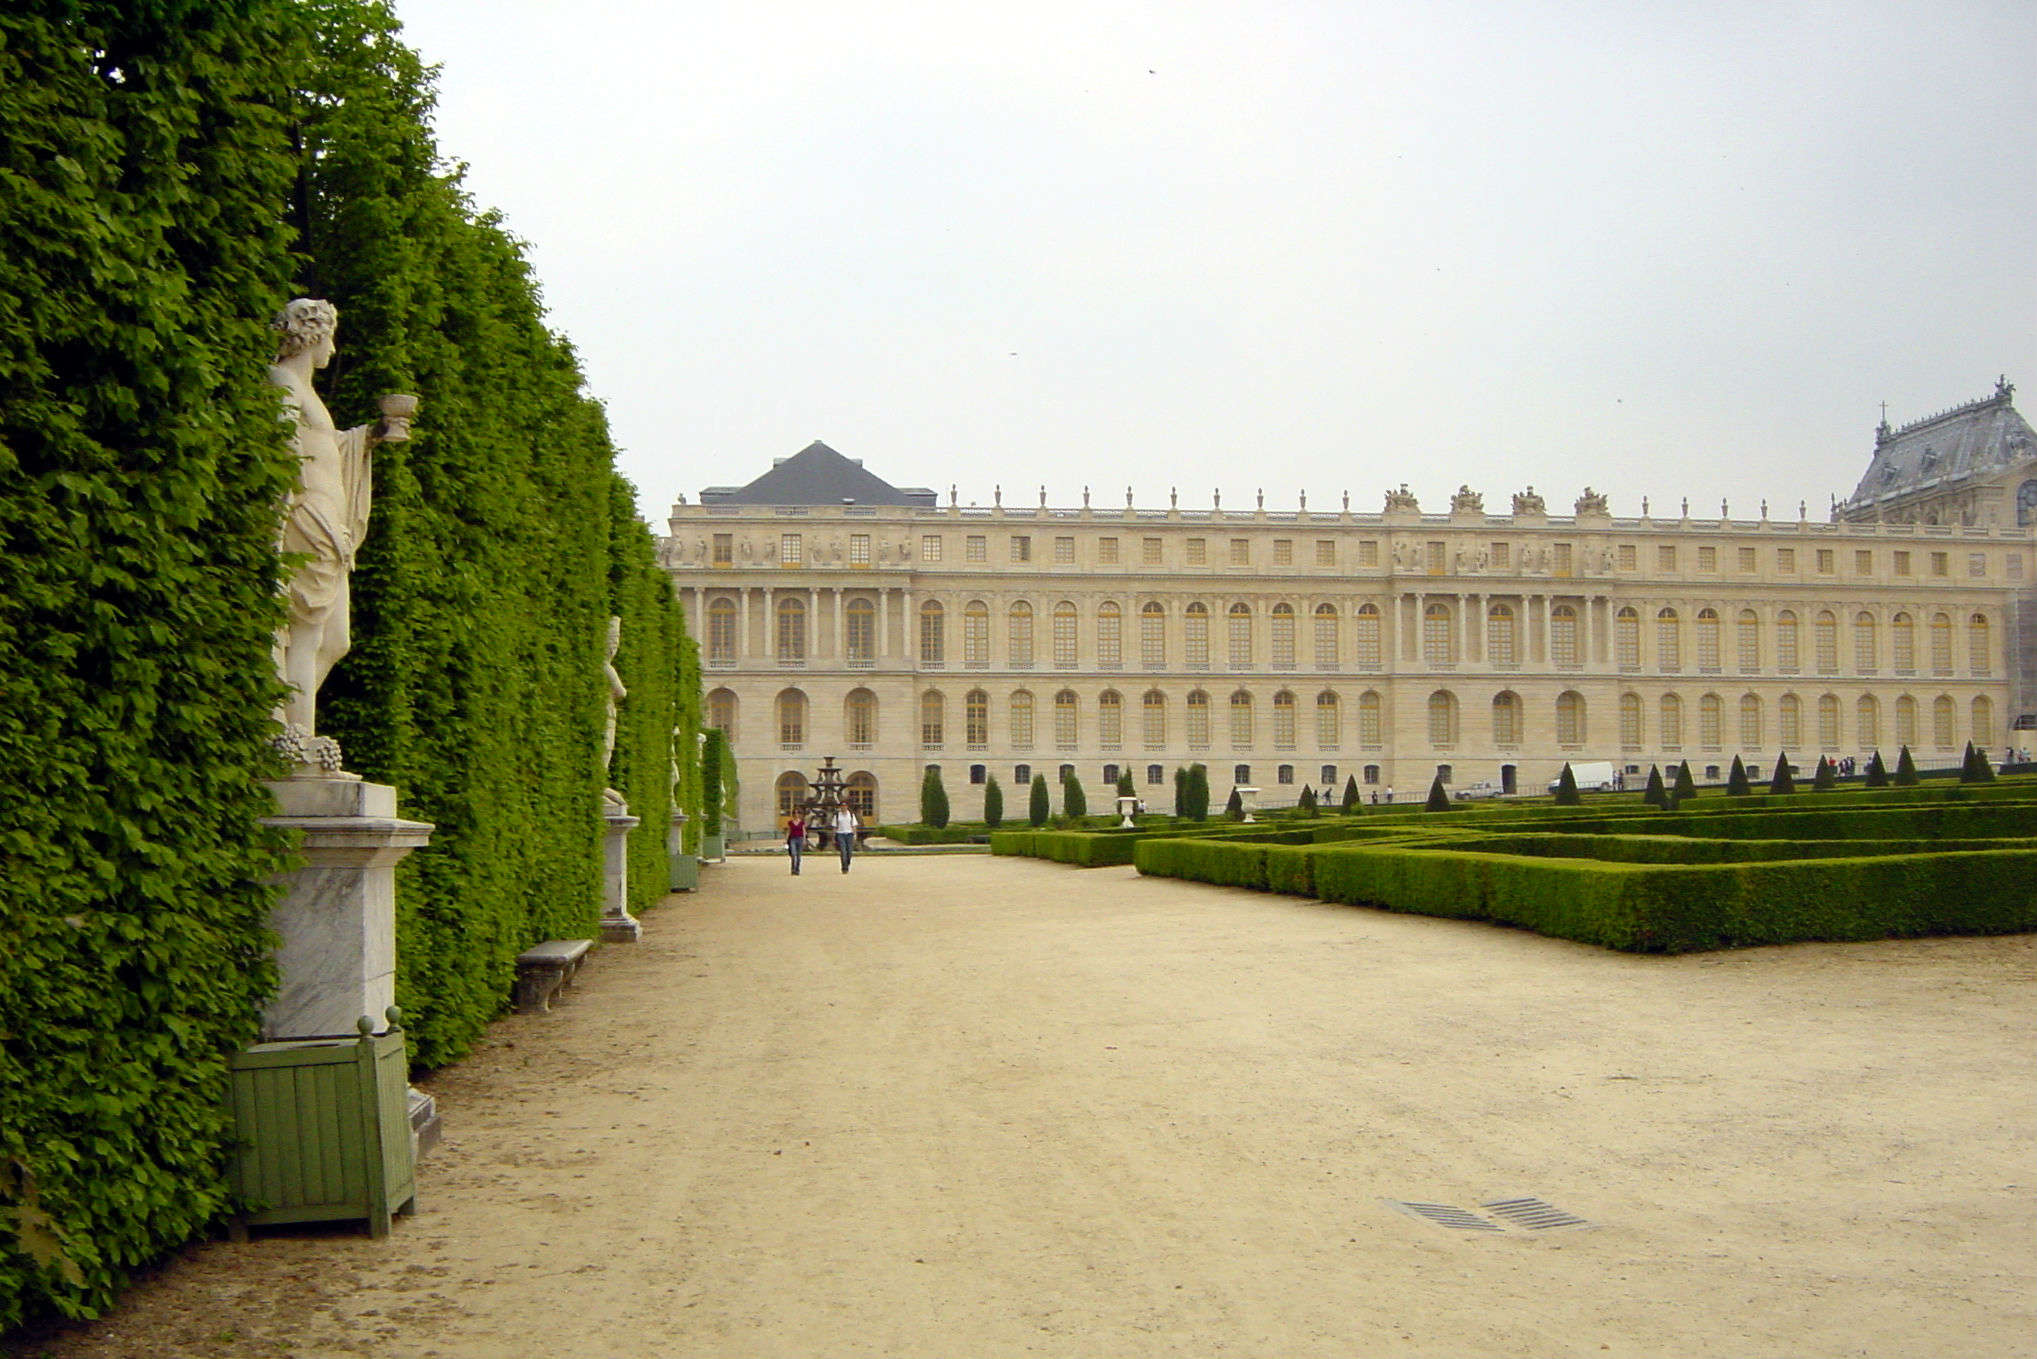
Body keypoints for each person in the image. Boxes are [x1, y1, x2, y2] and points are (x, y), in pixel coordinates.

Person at [833, 803, 859, 873]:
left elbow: (854, 826)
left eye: (845, 806)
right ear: (840, 807)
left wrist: (855, 835)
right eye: (842, 806)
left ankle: (847, 863)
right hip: (840, 834)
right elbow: (835, 827)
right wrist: (833, 837)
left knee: (849, 851)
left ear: (847, 807)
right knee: (843, 851)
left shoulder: (851, 815)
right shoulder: (837, 815)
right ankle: (844, 868)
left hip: (849, 834)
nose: (843, 807)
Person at [784, 811, 806, 875]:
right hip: (793, 839)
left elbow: (804, 831)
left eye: (798, 813)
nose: (796, 815)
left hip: (800, 839)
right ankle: (793, 869)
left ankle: (797, 869)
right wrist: (786, 839)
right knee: (793, 854)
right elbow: (788, 831)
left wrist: (804, 839)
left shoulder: (802, 823)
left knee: (799, 856)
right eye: (795, 813)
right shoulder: (790, 823)